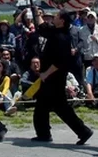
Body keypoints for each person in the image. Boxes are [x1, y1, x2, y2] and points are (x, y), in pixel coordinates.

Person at [32, 8, 93, 144]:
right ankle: (44, 133)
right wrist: (37, 13)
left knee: (55, 107)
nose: (54, 16)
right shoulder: (56, 31)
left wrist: (45, 74)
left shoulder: (62, 38)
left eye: (57, 16)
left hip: (55, 77)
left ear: (62, 20)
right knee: (48, 106)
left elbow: (59, 62)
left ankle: (82, 131)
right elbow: (43, 27)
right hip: (50, 77)